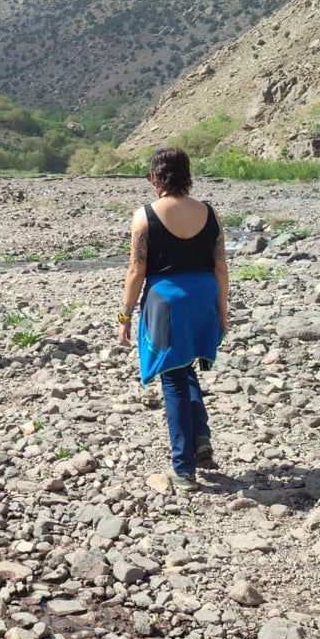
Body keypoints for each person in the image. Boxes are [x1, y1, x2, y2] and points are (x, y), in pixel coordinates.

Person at [118, 147, 228, 493]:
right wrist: (222, 307)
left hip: (166, 300)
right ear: (187, 174)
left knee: (173, 379)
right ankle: (200, 438)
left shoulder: (145, 216)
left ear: (155, 176)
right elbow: (220, 264)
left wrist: (124, 315)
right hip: (203, 296)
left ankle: (183, 468)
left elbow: (137, 270)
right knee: (187, 367)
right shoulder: (210, 213)